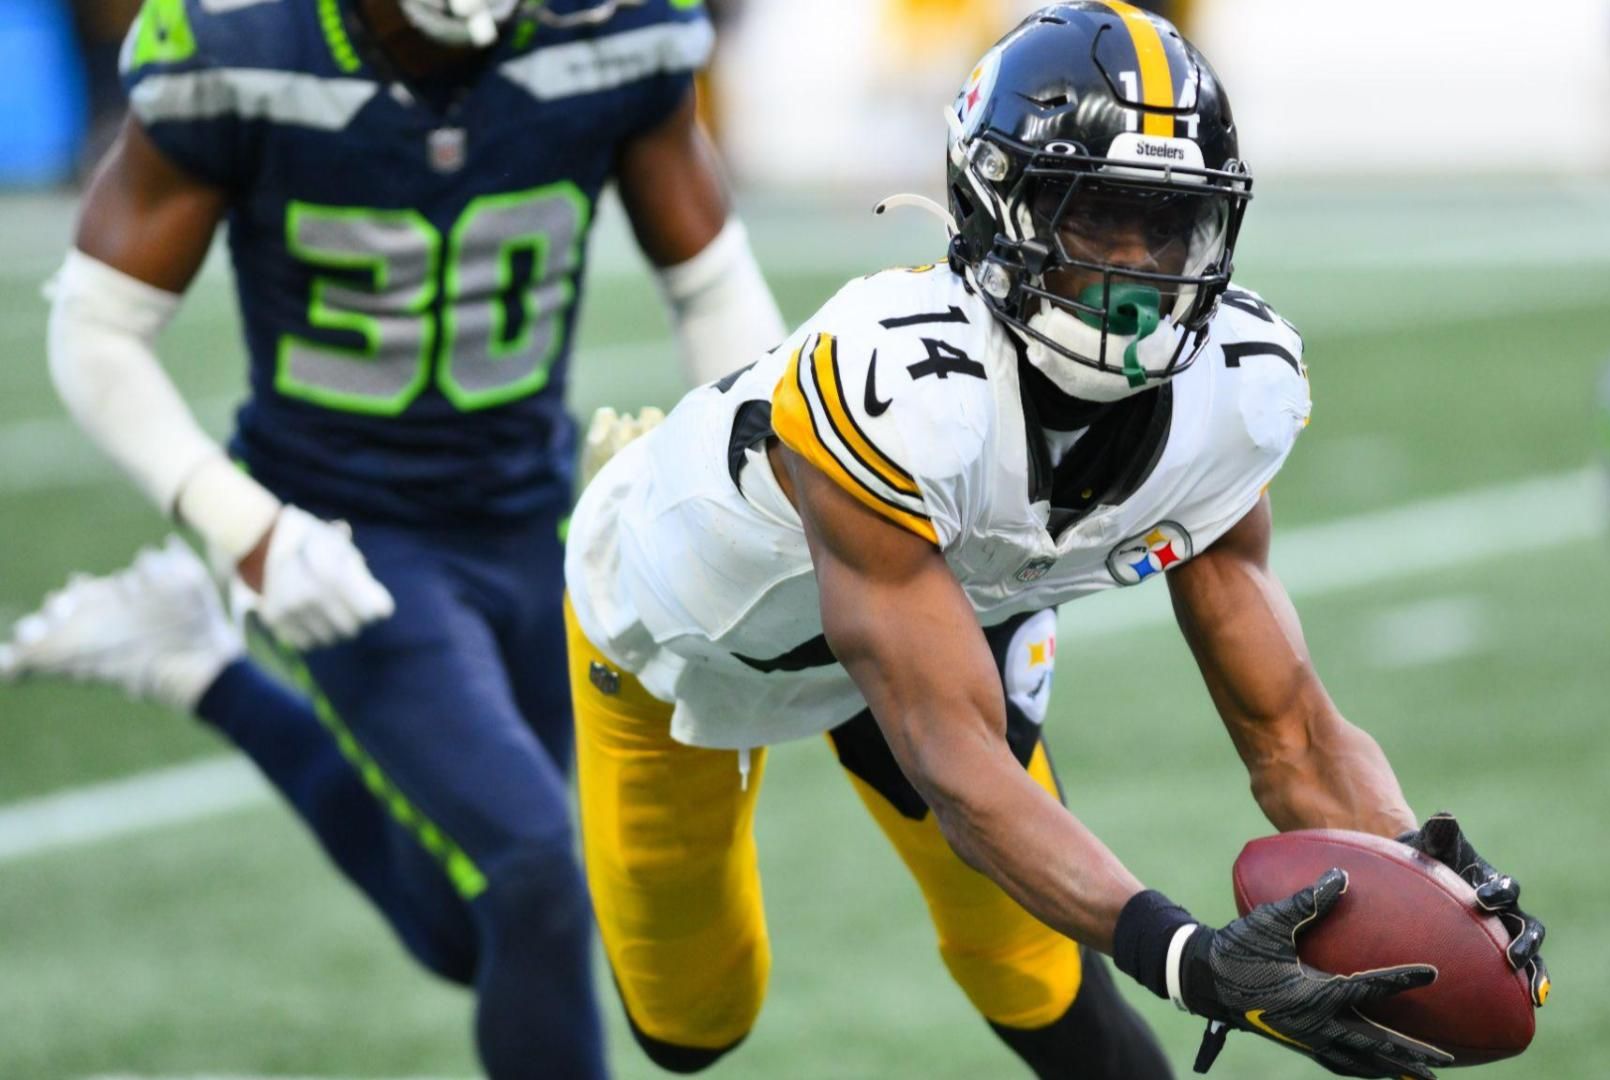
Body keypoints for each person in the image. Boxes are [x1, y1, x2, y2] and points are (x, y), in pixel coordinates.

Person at [561, 4, 1550, 1077]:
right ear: (998, 208)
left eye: (1167, 225)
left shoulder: (1236, 386)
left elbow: (1296, 737)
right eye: (1099, 220)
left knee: (1028, 966)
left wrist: (1421, 872)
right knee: (695, 1023)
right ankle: (636, 480)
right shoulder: (901, 381)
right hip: (686, 636)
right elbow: (957, 763)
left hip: (945, 607)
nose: (1139, 272)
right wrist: (1183, 955)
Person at [0, 0, 783, 1076]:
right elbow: (97, 325)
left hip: (532, 511)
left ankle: (197, 666)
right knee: (534, 876)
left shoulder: (609, 31)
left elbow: (710, 281)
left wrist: (757, 488)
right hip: (340, 532)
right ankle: (207, 633)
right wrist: (250, 533)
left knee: (492, 922)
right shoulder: (243, 46)